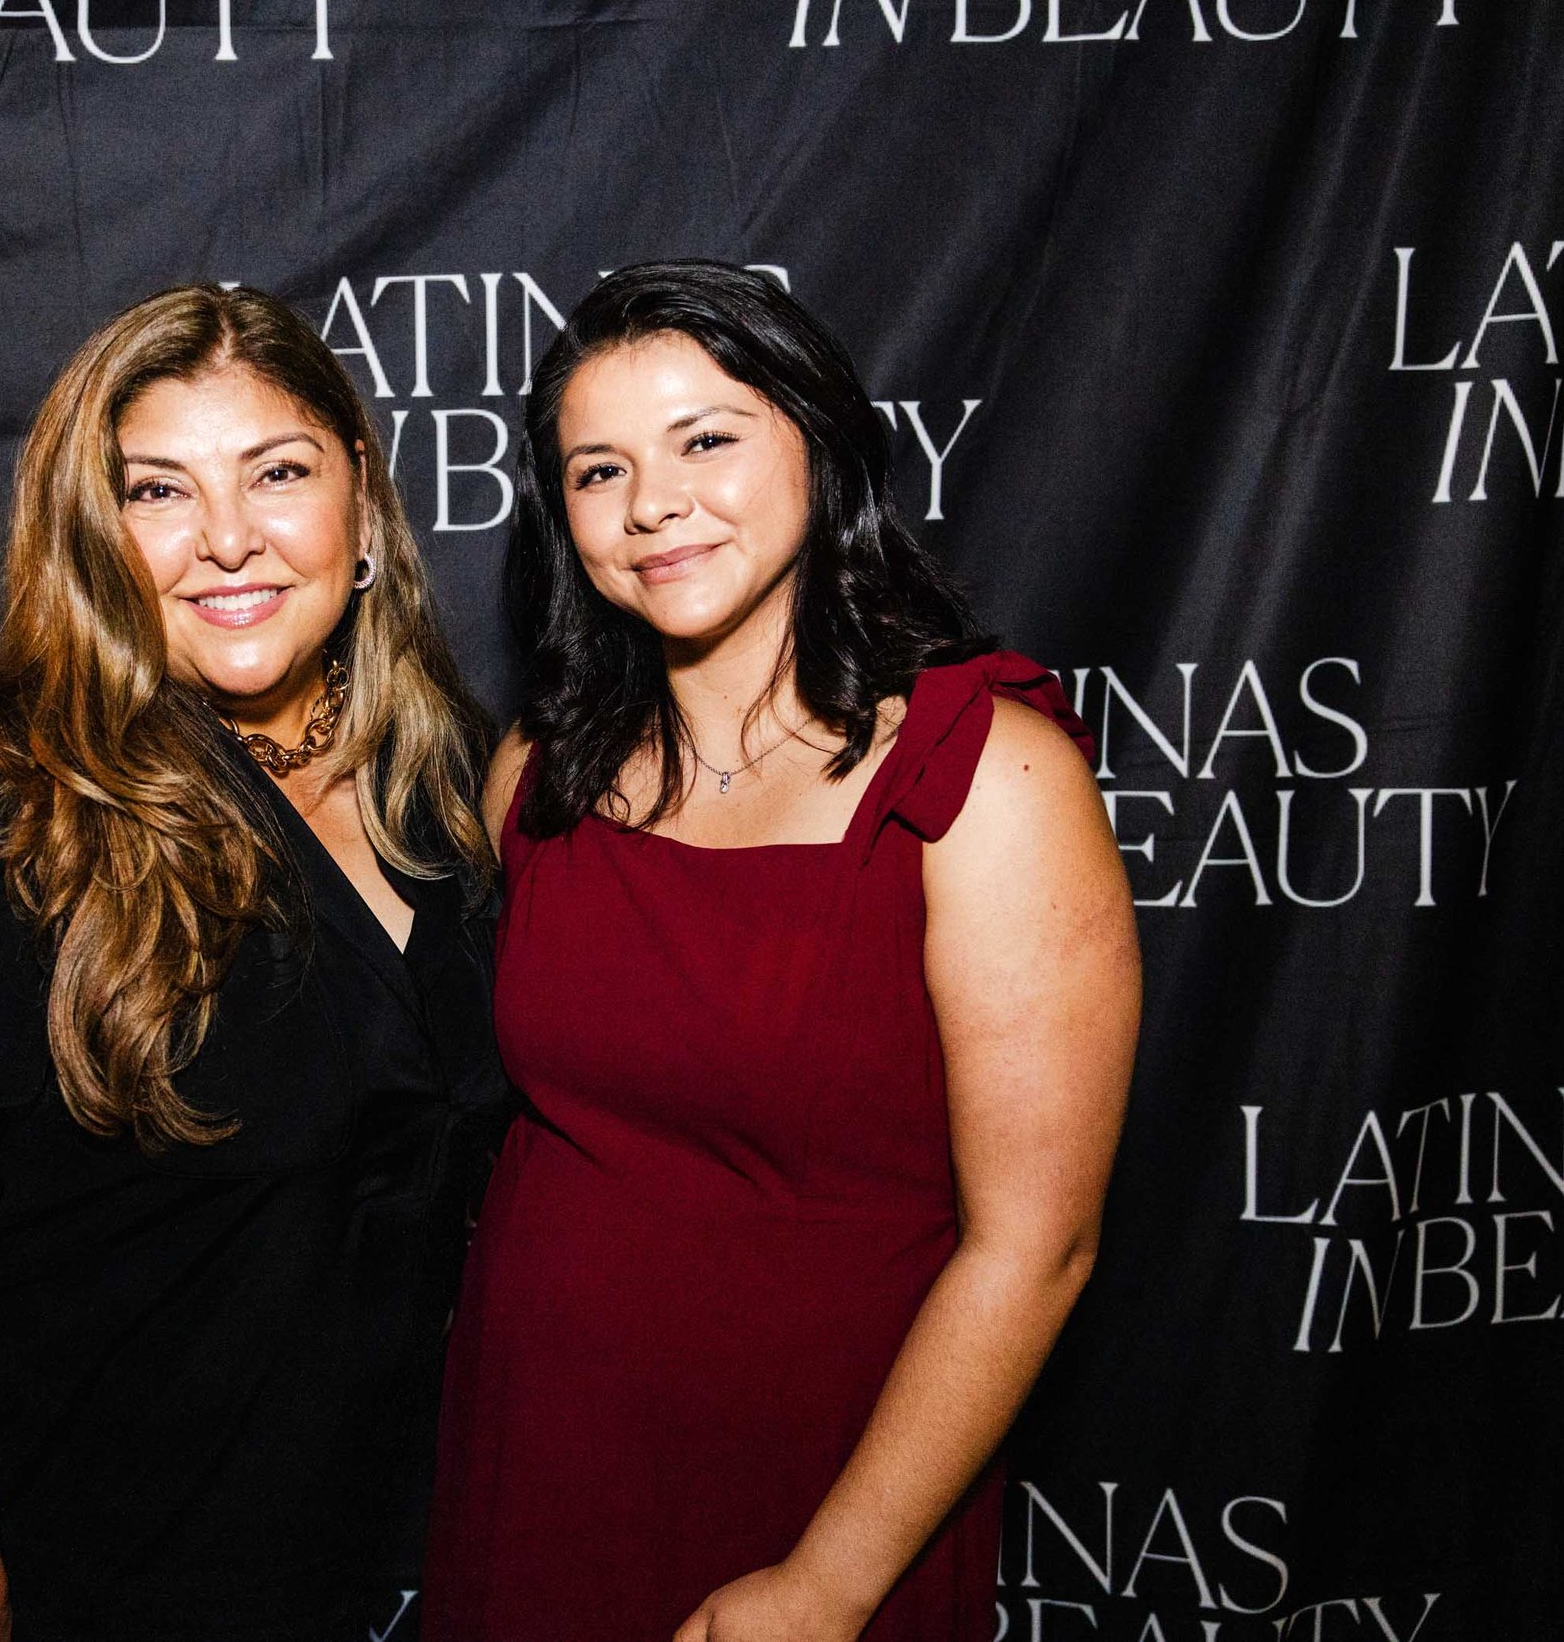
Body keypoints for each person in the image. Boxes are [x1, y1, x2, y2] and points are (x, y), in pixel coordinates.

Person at [0, 283, 507, 1642]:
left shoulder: (450, 779)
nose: (229, 539)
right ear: (92, 540)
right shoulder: (2, 818)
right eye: (157, 493)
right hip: (94, 1571)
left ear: (361, 512)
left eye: (278, 473)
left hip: (386, 1556)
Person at [422, 262, 1140, 1642]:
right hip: (536, 1453)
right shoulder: (540, 770)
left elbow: (1035, 1245)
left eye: (707, 440)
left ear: (816, 443)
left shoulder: (984, 775)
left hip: (834, 1496)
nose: (652, 505)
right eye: (598, 470)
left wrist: (827, 1586)